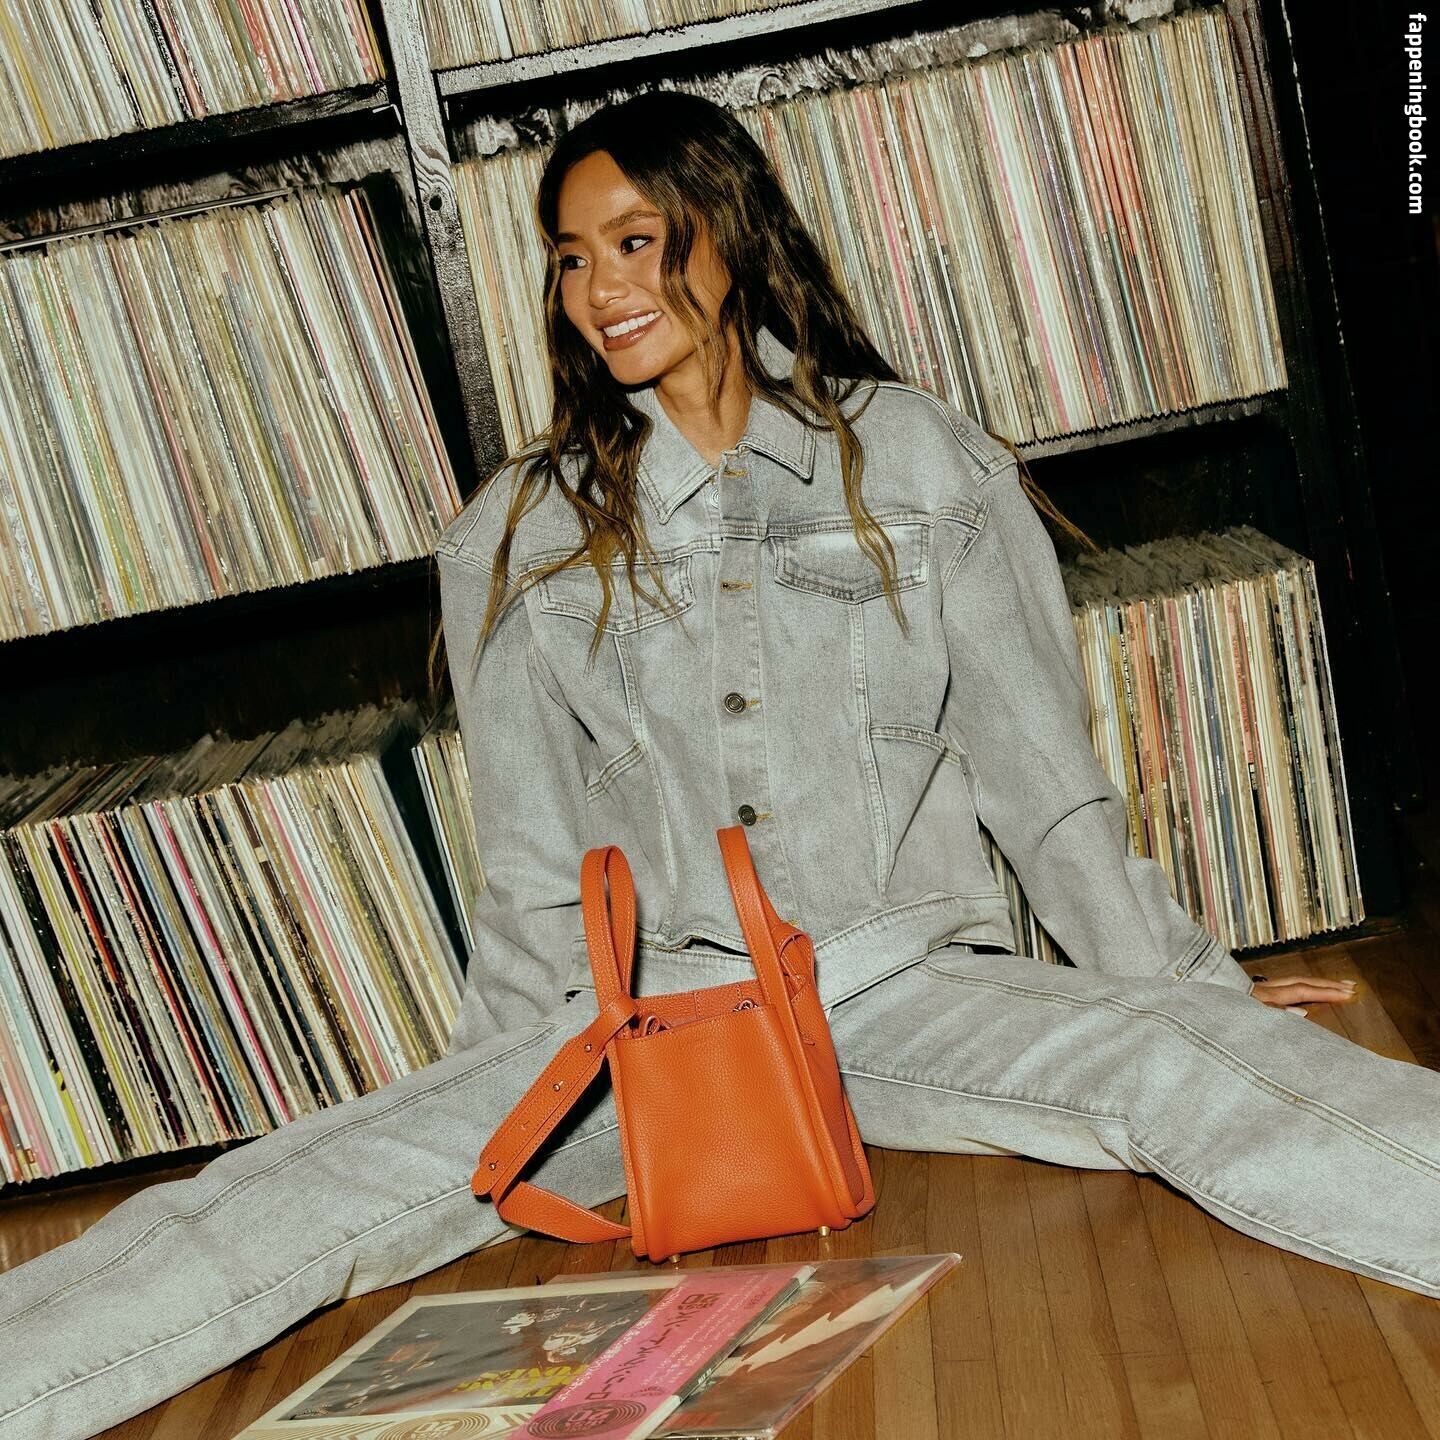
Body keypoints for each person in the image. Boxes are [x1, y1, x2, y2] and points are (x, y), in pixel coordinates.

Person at [1, 89, 1436, 1440]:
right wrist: (489, 1102)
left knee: (1188, 1063)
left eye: (635, 241)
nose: (598, 288)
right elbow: (531, 868)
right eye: (571, 258)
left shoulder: (919, 461)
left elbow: (1044, 785)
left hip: (906, 982)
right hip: (657, 1030)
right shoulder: (519, 533)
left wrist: (1181, 985)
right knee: (275, 1198)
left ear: (729, 234)